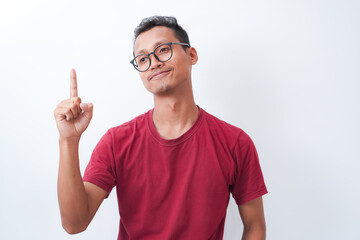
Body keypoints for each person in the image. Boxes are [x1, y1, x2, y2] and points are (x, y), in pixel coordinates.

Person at [54, 16, 268, 240]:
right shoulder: (116, 142)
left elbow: (254, 226)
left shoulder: (235, 142)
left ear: (191, 55)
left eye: (163, 50)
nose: (154, 62)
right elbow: (74, 223)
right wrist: (68, 140)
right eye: (143, 58)